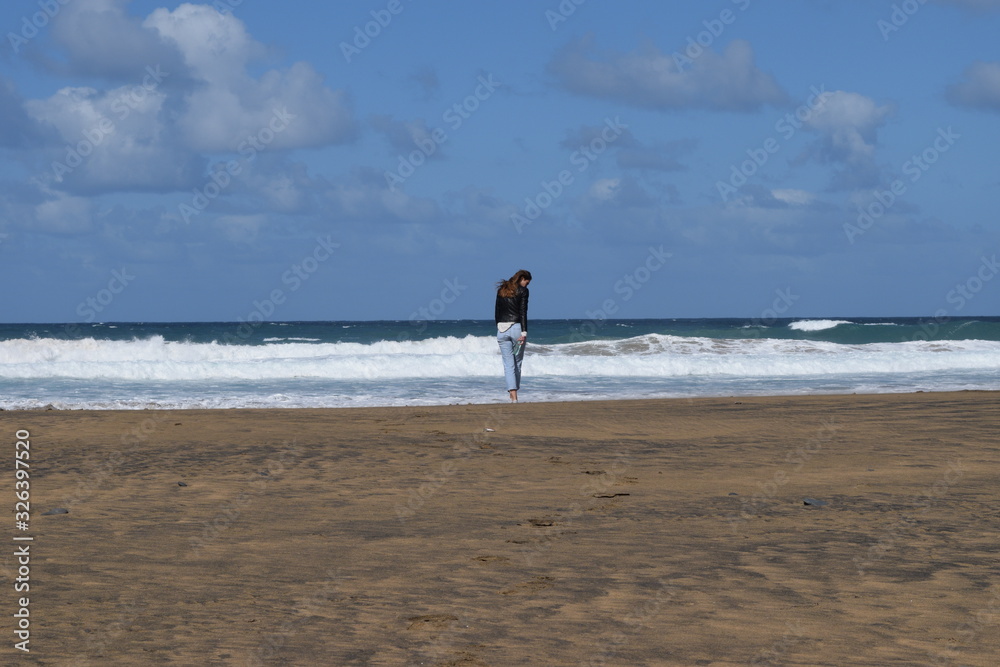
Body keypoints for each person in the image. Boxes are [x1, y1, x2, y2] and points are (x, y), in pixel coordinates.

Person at [495, 269, 531, 402]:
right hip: (517, 328)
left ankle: (513, 396)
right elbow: (523, 312)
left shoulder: (502, 289)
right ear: (522, 278)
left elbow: (497, 311)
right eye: (527, 282)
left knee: (508, 364)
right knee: (517, 362)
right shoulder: (523, 291)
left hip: (501, 330)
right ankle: (515, 395)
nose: (526, 285)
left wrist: (499, 326)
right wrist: (524, 332)